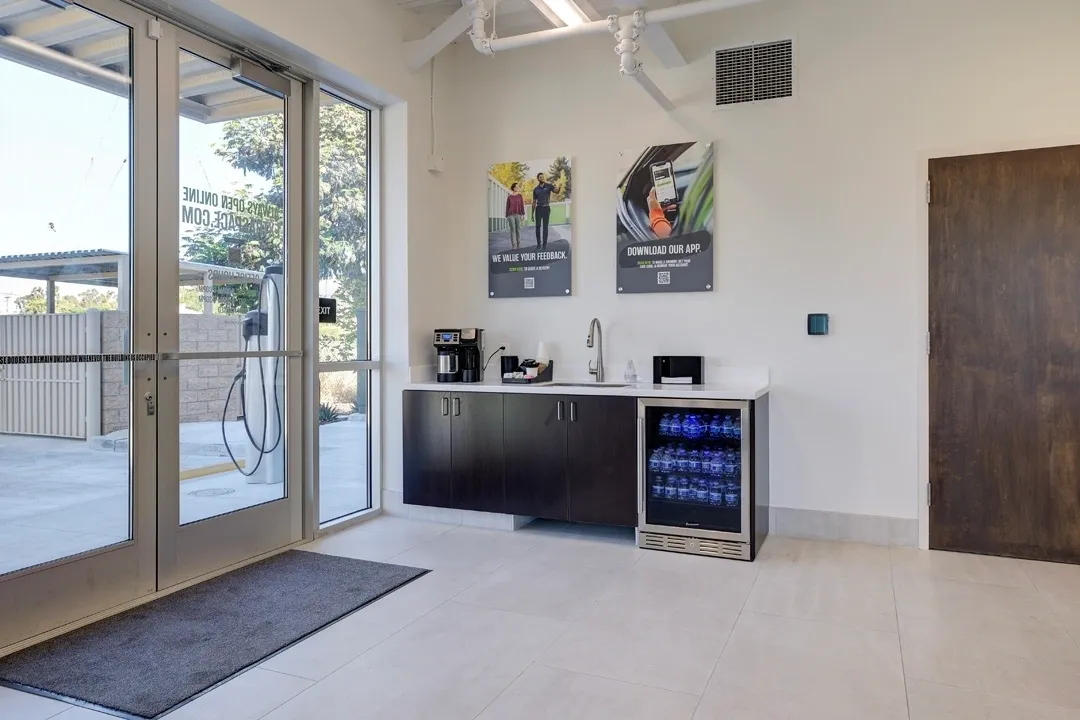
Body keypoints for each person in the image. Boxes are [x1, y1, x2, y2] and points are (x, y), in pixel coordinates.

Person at [532, 172, 560, 249]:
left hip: (546, 209)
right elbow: (534, 201)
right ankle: (538, 244)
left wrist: (559, 187)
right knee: (537, 227)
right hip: (538, 209)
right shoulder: (535, 189)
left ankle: (544, 245)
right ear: (538, 179)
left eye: (543, 177)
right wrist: (532, 213)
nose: (542, 178)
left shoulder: (549, 186)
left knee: (545, 227)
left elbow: (556, 191)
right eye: (540, 177)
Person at [505, 182, 525, 249]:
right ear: (513, 188)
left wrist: (523, 214)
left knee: (518, 229)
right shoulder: (509, 197)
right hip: (510, 215)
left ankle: (518, 244)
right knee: (512, 229)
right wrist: (507, 216)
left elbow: (522, 205)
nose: (517, 188)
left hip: (518, 214)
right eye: (516, 187)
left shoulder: (520, 196)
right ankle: (514, 245)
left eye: (518, 187)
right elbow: (507, 206)